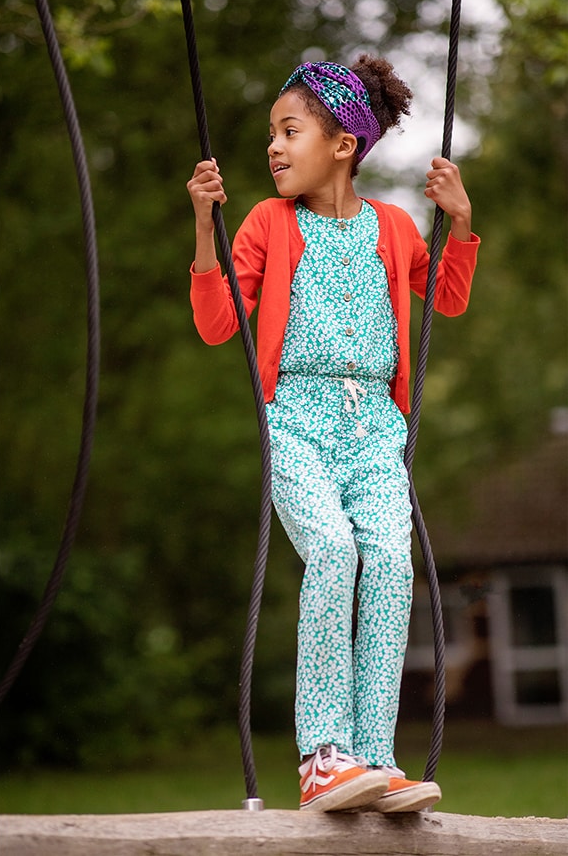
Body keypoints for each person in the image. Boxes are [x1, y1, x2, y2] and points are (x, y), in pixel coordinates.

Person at [186, 57, 478, 813]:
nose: (274, 148)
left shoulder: (393, 227)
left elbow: (444, 298)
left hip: (376, 427)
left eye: (291, 131)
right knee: (335, 551)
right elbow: (220, 326)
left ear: (344, 143)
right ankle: (323, 754)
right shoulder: (264, 223)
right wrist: (202, 231)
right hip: (297, 422)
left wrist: (462, 222)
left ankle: (374, 758)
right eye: (271, 135)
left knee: (387, 562)